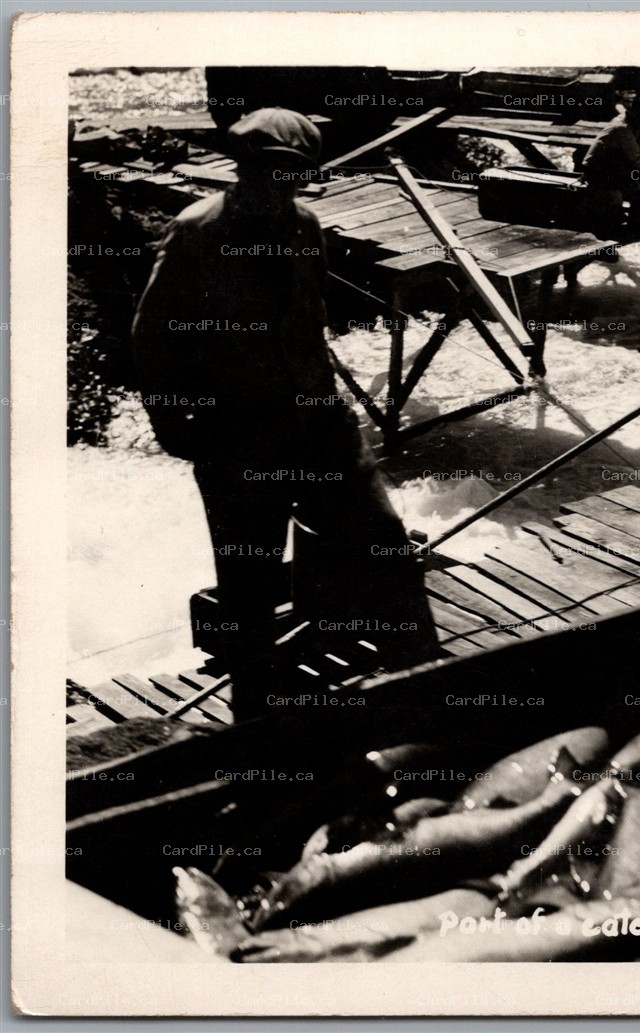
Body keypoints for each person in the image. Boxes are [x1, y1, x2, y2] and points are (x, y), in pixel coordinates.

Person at [133, 107, 437, 721]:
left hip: (320, 424)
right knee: (247, 590)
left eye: (290, 175)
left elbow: (308, 318)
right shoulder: (197, 232)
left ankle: (429, 684)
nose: (276, 185)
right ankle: (259, 725)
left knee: (385, 544)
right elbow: (151, 336)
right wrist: (178, 426)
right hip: (238, 437)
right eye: (263, 171)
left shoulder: (305, 225)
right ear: (240, 169)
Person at [581, 92, 640, 235]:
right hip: (598, 171)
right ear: (635, 117)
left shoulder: (632, 126)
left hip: (614, 168)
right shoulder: (622, 129)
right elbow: (638, 159)